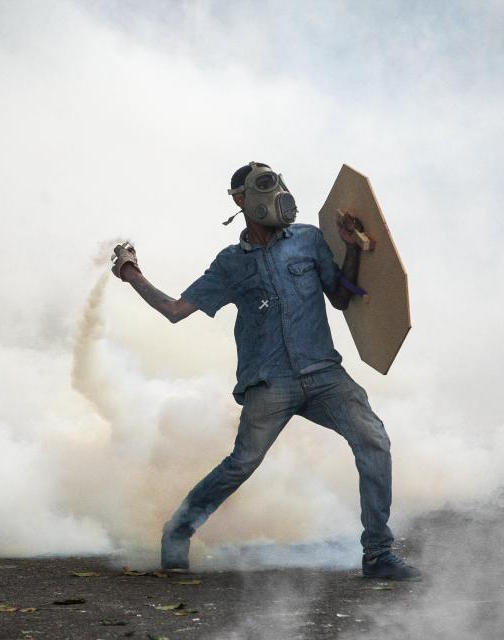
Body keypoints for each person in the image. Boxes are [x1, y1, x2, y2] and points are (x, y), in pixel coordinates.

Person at [110, 162, 420, 580]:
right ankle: (178, 530)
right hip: (269, 382)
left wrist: (348, 248)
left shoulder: (309, 240)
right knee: (241, 463)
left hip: (324, 373)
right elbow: (174, 311)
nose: (275, 194)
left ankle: (378, 554)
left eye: (276, 183)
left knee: (374, 441)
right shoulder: (229, 265)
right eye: (260, 187)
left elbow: (341, 299)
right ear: (239, 200)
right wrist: (132, 275)